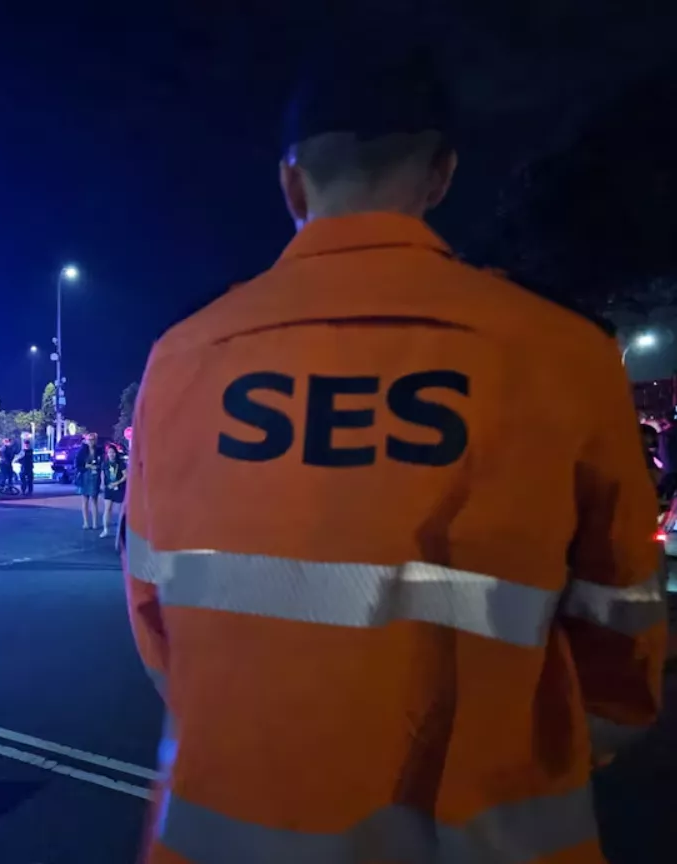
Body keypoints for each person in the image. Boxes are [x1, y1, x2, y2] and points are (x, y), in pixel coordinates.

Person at [120, 47, 666, 863]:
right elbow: (622, 626)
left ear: (291, 182)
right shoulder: (561, 353)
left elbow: (154, 616)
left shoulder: (184, 355)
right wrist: (552, 742)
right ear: (440, 175)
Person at [75, 432, 103, 529]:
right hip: (85, 477)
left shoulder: (99, 450)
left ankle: (95, 523)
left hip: (95, 477)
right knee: (85, 500)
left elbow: (102, 463)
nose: (91, 441)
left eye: (93, 439)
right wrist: (86, 466)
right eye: (89, 439)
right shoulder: (82, 451)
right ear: (86, 440)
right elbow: (78, 465)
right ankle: (86, 523)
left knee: (94, 500)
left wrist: (97, 467)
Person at [101, 443, 127, 538]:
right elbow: (103, 474)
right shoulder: (105, 463)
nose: (111, 454)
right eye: (109, 452)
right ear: (107, 454)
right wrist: (102, 485)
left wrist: (117, 483)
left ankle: (120, 529)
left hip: (119, 488)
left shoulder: (120, 463)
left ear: (115, 453)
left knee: (119, 510)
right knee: (107, 509)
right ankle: (105, 529)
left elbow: (126, 475)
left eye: (113, 452)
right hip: (109, 488)